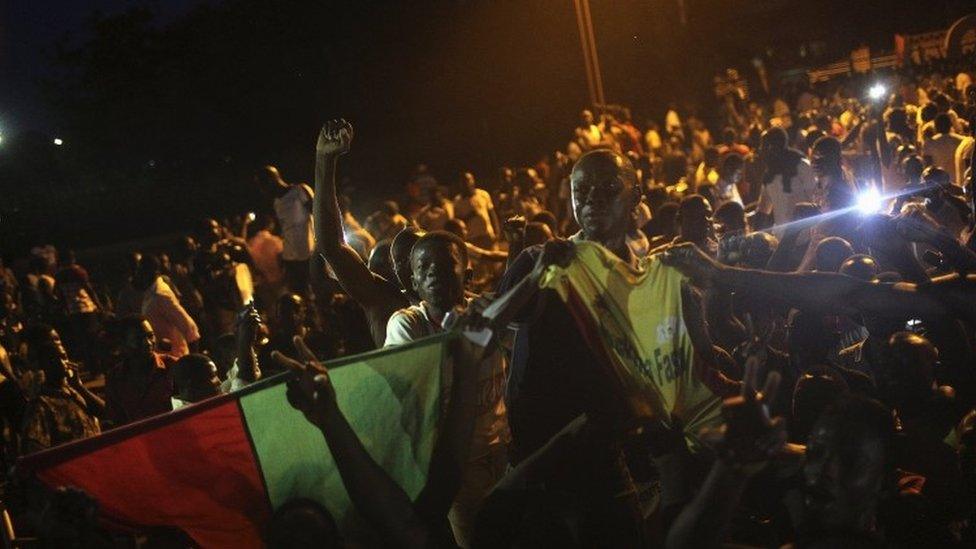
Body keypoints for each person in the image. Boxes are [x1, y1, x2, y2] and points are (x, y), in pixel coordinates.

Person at [496, 149, 735, 547]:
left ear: (636, 194)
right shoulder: (543, 261)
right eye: (581, 190)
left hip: (612, 457)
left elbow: (684, 363)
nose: (591, 200)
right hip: (543, 463)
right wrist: (535, 277)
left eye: (608, 189)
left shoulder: (649, 275)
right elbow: (491, 329)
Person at [384, 231, 508, 547]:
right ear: (413, 282)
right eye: (424, 267)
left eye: (444, 265)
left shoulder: (485, 311)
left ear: (467, 274)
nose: (434, 273)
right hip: (456, 466)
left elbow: (519, 296)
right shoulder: (407, 325)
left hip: (504, 453)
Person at [313, 119, 412, 348]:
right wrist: (324, 160)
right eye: (394, 264)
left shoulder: (456, 302)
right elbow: (331, 246)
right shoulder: (386, 300)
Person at [20, 324, 102, 454]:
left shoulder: (72, 390)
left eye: (63, 357)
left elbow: (105, 412)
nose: (62, 363)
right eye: (53, 359)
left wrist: (79, 387)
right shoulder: (41, 403)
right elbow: (34, 450)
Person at [103, 317, 175, 427]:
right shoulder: (115, 378)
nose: (148, 343)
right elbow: (116, 418)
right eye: (138, 339)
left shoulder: (173, 366)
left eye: (150, 336)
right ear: (123, 343)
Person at [256, 165, 315, 295]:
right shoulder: (276, 202)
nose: (262, 191)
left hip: (309, 255)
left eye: (263, 185)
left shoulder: (299, 191)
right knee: (299, 296)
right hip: (290, 259)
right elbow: (285, 230)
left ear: (272, 180)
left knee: (317, 294)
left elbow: (318, 215)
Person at [135, 255, 200, 358]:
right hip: (164, 359)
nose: (136, 274)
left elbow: (189, 327)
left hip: (175, 358)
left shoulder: (160, 295)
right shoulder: (150, 293)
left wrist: (192, 361)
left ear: (152, 272)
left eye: (141, 270)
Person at [756, 127, 818, 231]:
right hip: (783, 239)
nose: (760, 150)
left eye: (764, 146)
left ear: (773, 147)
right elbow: (763, 209)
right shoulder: (770, 174)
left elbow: (816, 201)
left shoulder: (801, 166)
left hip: (807, 237)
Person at [452, 172, 500, 250]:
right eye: (463, 181)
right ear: (460, 184)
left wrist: (497, 233)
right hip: (472, 239)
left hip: (487, 235)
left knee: (493, 259)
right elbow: (457, 224)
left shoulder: (483, 194)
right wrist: (469, 216)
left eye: (468, 180)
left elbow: (492, 215)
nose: (466, 183)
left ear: (473, 180)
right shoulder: (457, 201)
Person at [922, 113, 965, 185]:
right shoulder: (962, 140)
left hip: (938, 184)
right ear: (951, 125)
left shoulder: (930, 143)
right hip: (959, 182)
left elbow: (927, 166)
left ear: (935, 126)